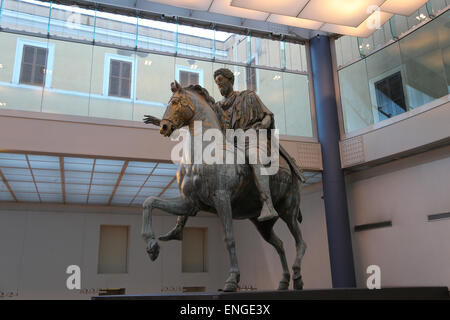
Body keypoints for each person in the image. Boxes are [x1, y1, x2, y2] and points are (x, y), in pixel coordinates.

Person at [159, 68, 282, 241]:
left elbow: (267, 115)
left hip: (249, 138)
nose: (219, 85)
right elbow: (194, 117)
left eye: (221, 81)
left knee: (254, 157)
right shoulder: (217, 107)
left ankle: (267, 203)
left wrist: (263, 125)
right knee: (192, 176)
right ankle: (180, 226)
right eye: (217, 83)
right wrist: (164, 122)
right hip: (227, 142)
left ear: (230, 80)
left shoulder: (248, 96)